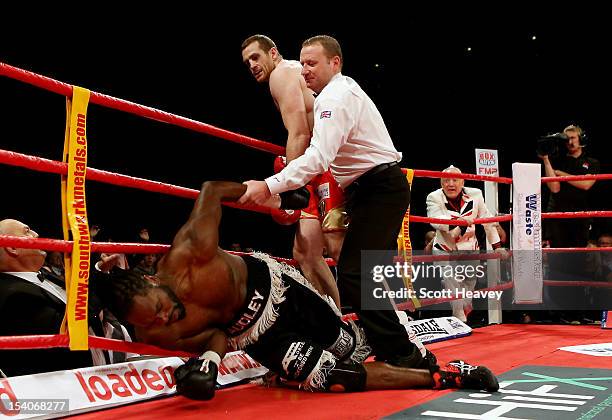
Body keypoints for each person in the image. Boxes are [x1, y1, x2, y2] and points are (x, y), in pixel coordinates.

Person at [101, 181, 499, 401]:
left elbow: (210, 191)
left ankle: (403, 353)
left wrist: (274, 193)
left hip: (278, 289)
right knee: (334, 376)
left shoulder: (189, 253)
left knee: (347, 345)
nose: (164, 319)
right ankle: (443, 377)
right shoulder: (154, 330)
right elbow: (216, 334)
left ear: (153, 281)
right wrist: (206, 362)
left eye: (158, 308)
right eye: (151, 321)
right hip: (257, 335)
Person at [239, 35, 428, 369]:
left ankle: (399, 351)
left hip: (377, 188)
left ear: (335, 62)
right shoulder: (338, 90)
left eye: (312, 64)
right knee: (357, 270)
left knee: (354, 271)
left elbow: (310, 147)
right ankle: (390, 346)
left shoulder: (325, 95)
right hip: (369, 187)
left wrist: (273, 187)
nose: (305, 71)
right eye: (304, 63)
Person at [241, 35, 342, 307]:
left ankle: (387, 321)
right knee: (306, 252)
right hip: (317, 167)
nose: (251, 65)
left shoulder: (281, 75)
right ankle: (341, 326)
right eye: (247, 62)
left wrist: (287, 185)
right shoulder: (293, 73)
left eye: (256, 57)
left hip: (327, 163)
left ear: (273, 53)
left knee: (338, 246)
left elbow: (299, 132)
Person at [0, 219, 98, 375]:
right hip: (68, 382)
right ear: (12, 247)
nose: (36, 234)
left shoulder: (44, 274)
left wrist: (99, 270)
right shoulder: (13, 296)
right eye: (27, 231)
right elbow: (72, 328)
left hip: (93, 367)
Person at [426, 166, 507, 322]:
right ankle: (459, 316)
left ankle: (464, 305)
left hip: (469, 247)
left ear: (462, 181)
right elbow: (436, 221)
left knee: (469, 282)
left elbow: (487, 220)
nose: (450, 184)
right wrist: (460, 222)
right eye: (446, 180)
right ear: (441, 183)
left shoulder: (475, 194)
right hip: (444, 248)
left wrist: (498, 247)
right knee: (450, 278)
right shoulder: (433, 197)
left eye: (455, 180)